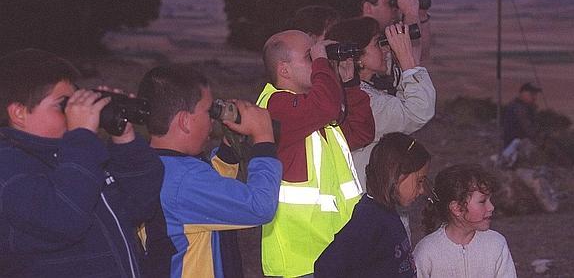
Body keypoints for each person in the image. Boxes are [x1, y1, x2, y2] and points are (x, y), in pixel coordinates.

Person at [0, 48, 164, 277]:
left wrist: (123, 136)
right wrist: (82, 137)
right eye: (63, 105)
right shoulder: (9, 171)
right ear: (19, 113)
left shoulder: (76, 158)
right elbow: (63, 219)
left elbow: (140, 205)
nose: (72, 113)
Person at [137, 64, 282, 278]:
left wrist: (230, 149)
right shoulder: (185, 180)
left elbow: (210, 194)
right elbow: (260, 207)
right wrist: (264, 140)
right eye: (208, 112)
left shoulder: (158, 167)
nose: (212, 121)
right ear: (185, 121)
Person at [256, 30, 375, 277]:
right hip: (298, 261)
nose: (318, 61)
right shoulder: (273, 108)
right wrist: (322, 63)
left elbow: (361, 132)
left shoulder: (311, 108)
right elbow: (325, 106)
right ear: (284, 70)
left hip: (335, 253)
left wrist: (348, 83)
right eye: (309, 56)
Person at [326, 17, 435, 193]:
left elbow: (401, 98)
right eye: (378, 44)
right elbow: (419, 111)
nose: (385, 50)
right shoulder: (364, 101)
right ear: (357, 58)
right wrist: (407, 59)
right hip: (364, 198)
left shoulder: (361, 91)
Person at [314, 132, 431, 277]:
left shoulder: (387, 214)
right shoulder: (369, 221)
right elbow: (326, 266)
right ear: (397, 174)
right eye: (419, 181)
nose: (421, 190)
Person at [414, 164, 517, 278]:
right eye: (483, 201)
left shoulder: (496, 244)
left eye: (490, 200)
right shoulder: (427, 251)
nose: (491, 207)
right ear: (457, 208)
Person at [357, 0, 431, 65]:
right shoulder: (362, 41)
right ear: (368, 8)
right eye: (389, 2)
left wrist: (420, 14)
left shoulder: (381, 35)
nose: (394, 8)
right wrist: (410, 13)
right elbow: (412, 61)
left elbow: (422, 55)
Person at [503, 82, 542, 148]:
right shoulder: (518, 108)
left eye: (535, 94)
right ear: (523, 93)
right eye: (532, 94)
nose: (534, 97)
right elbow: (528, 130)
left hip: (521, 143)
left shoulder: (527, 107)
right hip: (515, 146)